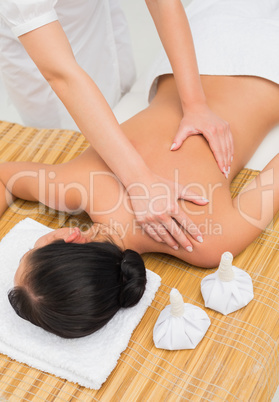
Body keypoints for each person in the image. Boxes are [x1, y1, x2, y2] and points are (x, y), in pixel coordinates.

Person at [1, 0, 279, 338]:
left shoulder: (206, 243)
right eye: (31, 250)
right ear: (70, 235)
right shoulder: (75, 185)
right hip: (204, 35)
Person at [0, 0, 234, 251]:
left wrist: (195, 104)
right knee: (69, 130)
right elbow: (62, 75)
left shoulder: (73, 184)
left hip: (95, 16)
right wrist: (140, 181)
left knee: (117, 89)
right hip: (37, 45)